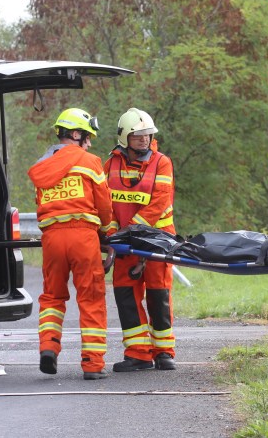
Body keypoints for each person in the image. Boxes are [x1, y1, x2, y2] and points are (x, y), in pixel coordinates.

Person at [27, 108, 113, 381]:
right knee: (90, 297)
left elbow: (39, 204)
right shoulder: (90, 162)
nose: (88, 144)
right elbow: (104, 204)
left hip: (52, 237)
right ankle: (92, 363)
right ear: (75, 135)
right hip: (83, 236)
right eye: (86, 138)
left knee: (52, 296)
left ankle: (48, 348)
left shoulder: (42, 166)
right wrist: (109, 233)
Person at [104, 108, 177, 372]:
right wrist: (111, 233)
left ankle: (164, 352)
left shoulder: (162, 162)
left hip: (157, 239)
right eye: (138, 136)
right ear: (125, 138)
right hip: (124, 242)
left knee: (159, 294)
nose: (144, 140)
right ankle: (137, 354)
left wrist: (132, 229)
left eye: (147, 135)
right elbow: (107, 204)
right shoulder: (110, 165)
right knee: (126, 295)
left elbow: (160, 200)